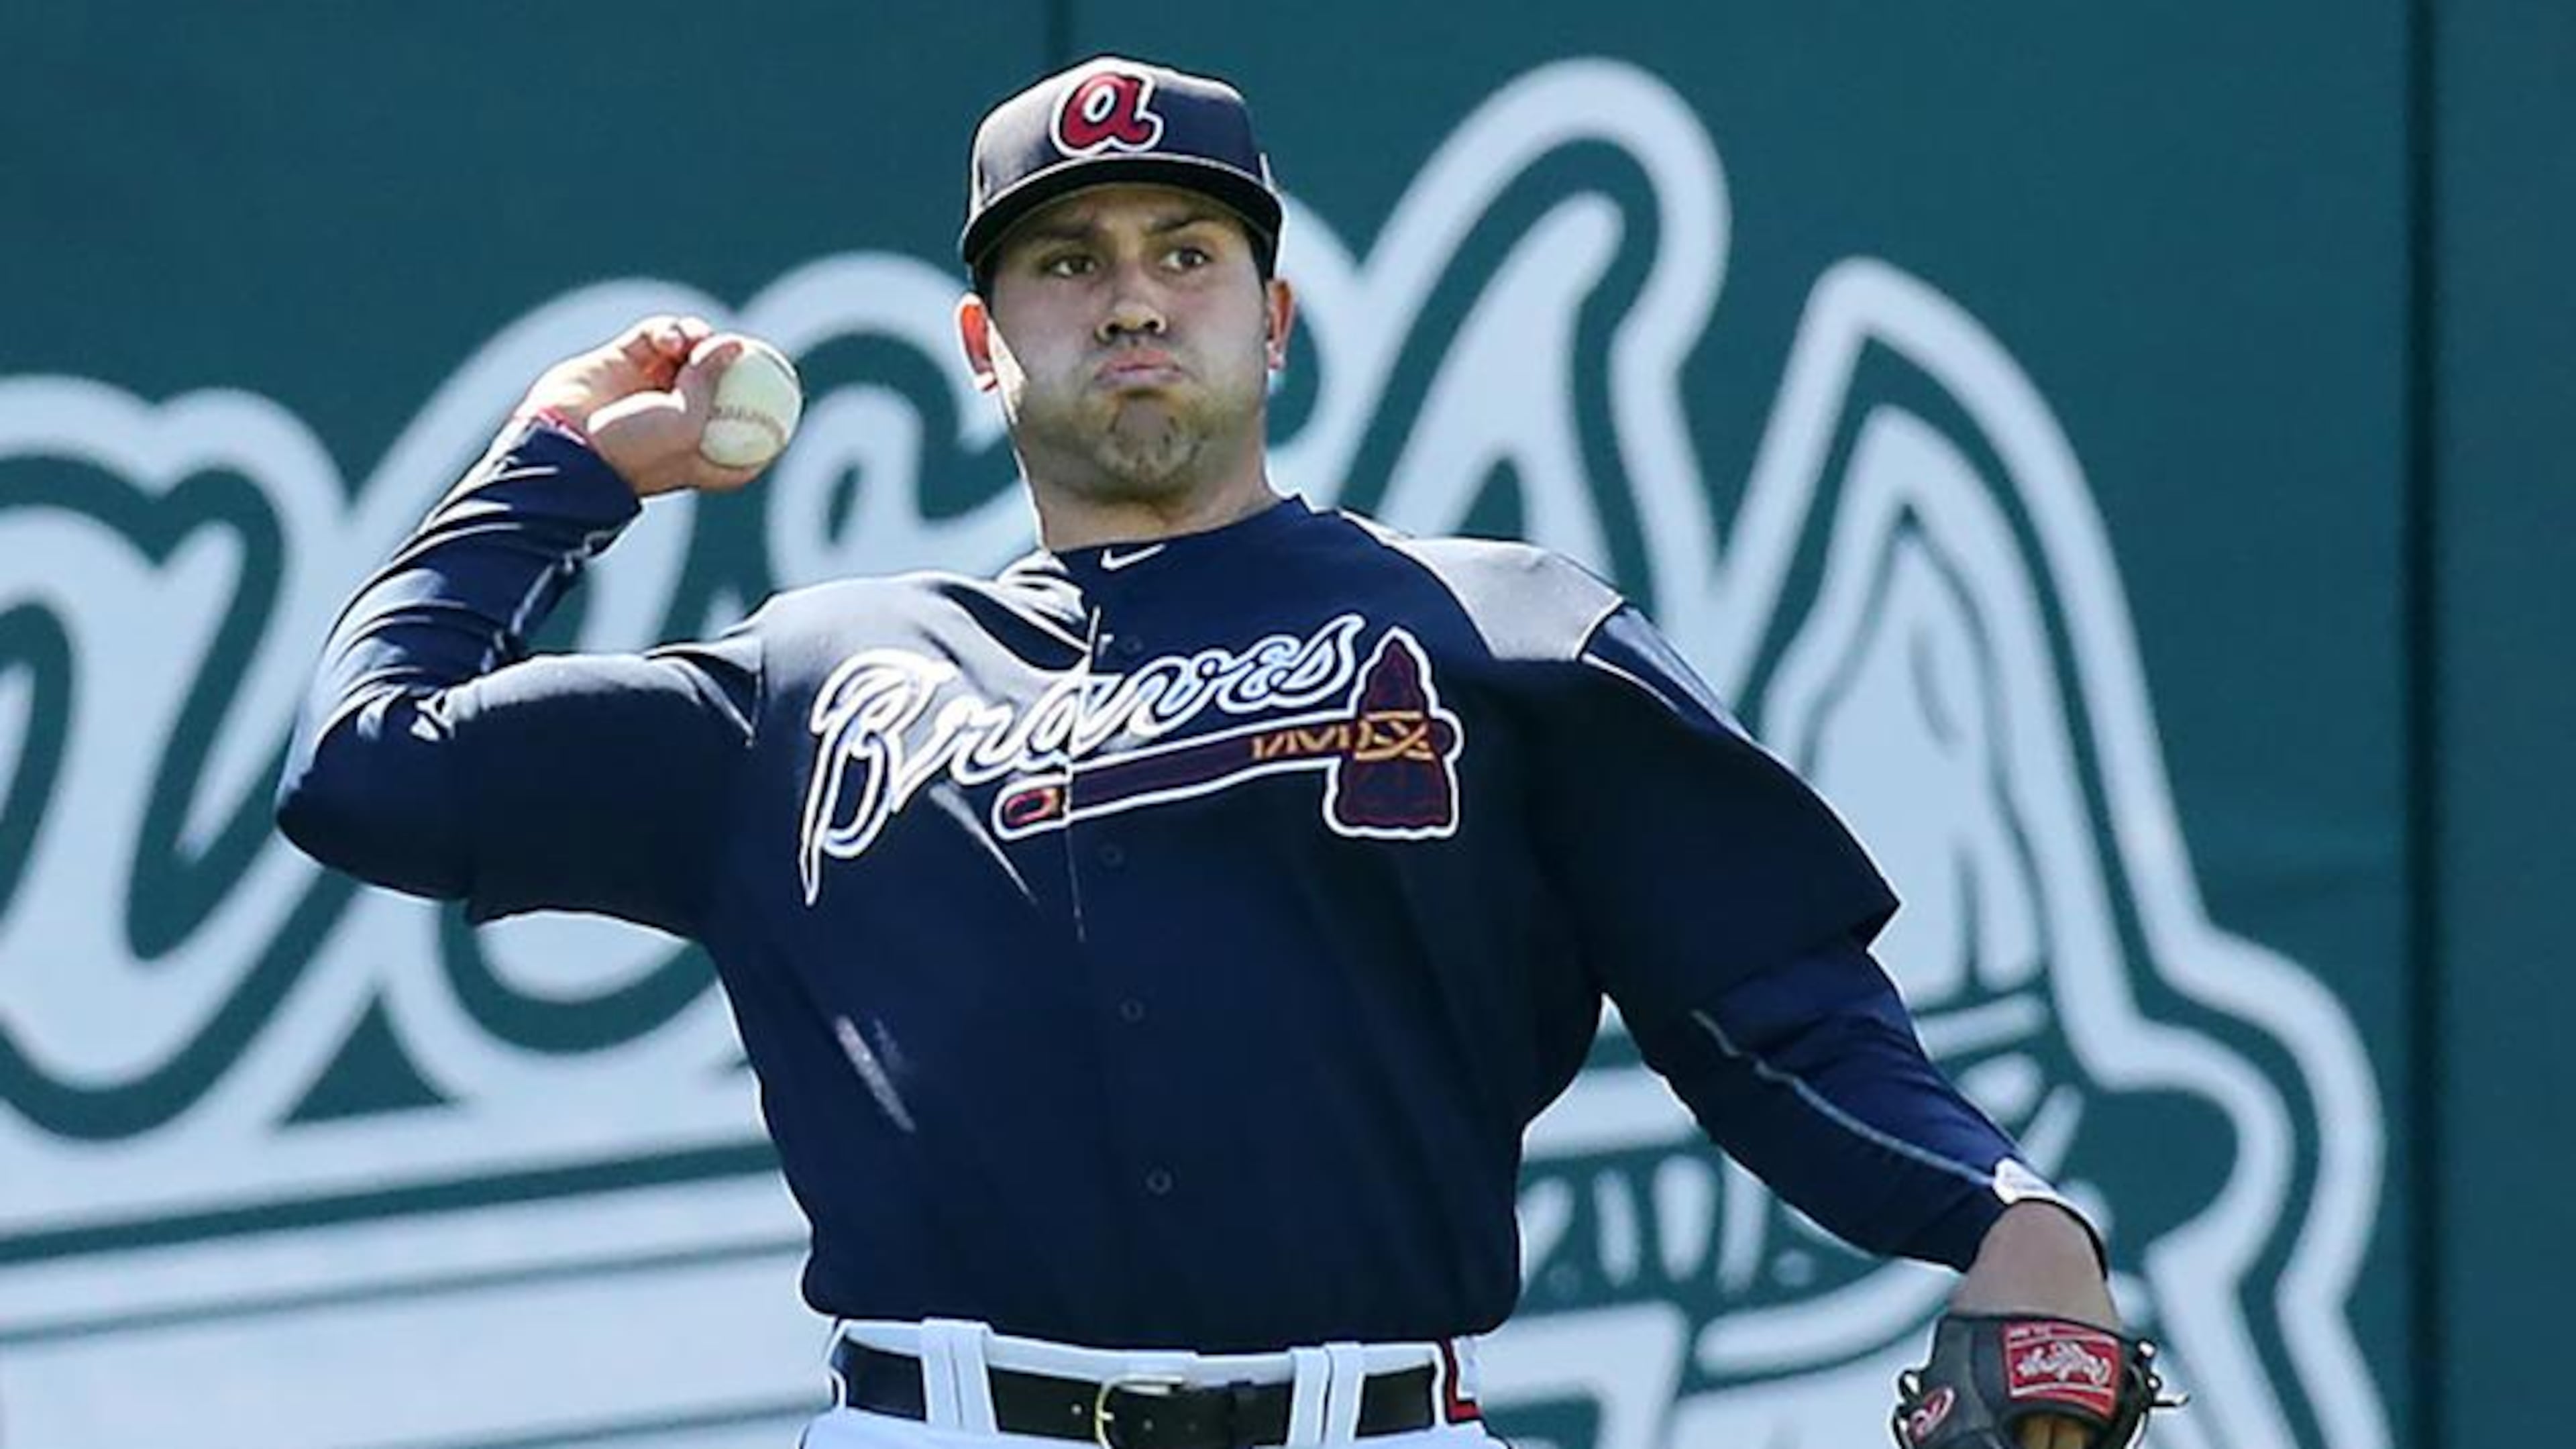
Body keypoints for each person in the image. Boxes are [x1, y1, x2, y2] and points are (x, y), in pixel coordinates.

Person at [278, 56, 2152, 1449]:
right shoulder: (815, 678)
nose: (1130, 295)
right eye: (1064, 262)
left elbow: (1775, 1008)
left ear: (1273, 317)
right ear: (983, 343)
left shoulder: (1496, 628)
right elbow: (368, 767)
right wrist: (553, 470)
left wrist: (2003, 1217)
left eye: (1187, 249)